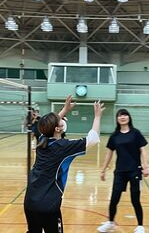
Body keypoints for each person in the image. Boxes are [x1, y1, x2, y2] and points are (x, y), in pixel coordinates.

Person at [24, 95, 105, 233]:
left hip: (30, 202)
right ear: (57, 128)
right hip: (48, 205)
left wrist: (65, 109)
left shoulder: (42, 140)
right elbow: (93, 139)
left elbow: (46, 125)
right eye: (60, 120)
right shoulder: (63, 147)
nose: (61, 118)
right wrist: (97, 116)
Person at [97, 109, 149, 233]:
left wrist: (145, 167)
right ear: (117, 119)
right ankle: (110, 223)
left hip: (135, 171)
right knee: (114, 199)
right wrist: (103, 170)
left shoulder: (136, 133)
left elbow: (143, 150)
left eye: (125, 115)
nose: (123, 117)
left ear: (129, 118)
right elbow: (109, 154)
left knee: (135, 199)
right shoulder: (114, 136)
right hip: (120, 171)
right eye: (120, 115)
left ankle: (140, 226)